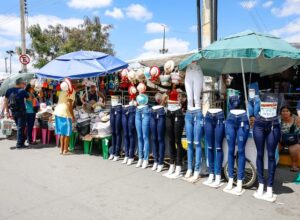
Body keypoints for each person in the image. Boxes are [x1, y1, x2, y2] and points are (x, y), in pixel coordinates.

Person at [3, 78, 29, 148]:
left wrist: (7, 111)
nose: (24, 85)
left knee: (19, 127)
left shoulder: (9, 90)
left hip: (13, 111)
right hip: (21, 112)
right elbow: (29, 98)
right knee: (20, 128)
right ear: (20, 84)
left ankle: (21, 142)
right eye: (24, 84)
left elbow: (5, 101)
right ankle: (19, 144)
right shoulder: (22, 91)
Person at [54, 78, 76, 155]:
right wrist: (73, 116)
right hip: (65, 113)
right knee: (67, 133)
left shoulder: (62, 92)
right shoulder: (71, 92)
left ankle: (61, 150)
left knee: (62, 133)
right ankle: (65, 150)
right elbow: (70, 105)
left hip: (57, 112)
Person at [280, 106, 300, 172]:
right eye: (283, 111)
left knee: (296, 147)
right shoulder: (278, 119)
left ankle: (294, 165)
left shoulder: (296, 119)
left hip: (293, 140)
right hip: (281, 139)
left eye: (287, 111)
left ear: (290, 112)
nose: (285, 113)